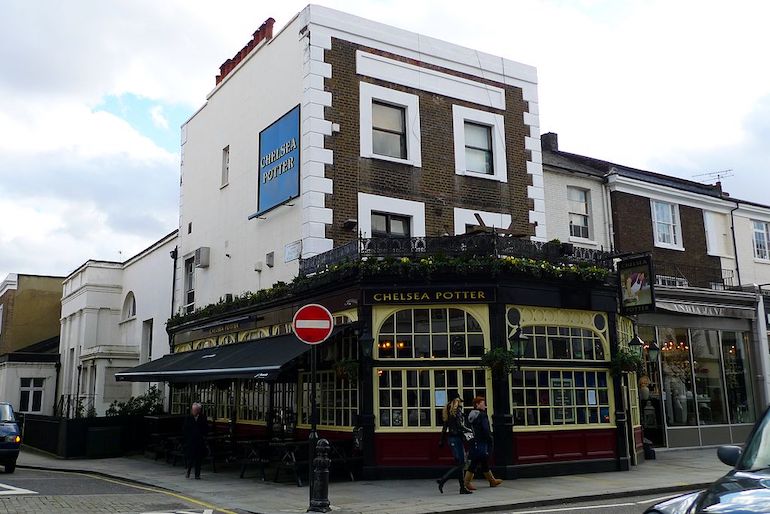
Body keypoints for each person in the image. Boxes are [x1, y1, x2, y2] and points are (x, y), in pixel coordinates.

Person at [437, 395, 473, 494]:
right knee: (461, 464)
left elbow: (444, 428)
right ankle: (443, 480)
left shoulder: (447, 412)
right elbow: (460, 425)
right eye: (460, 401)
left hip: (451, 439)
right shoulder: (457, 411)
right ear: (456, 401)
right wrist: (470, 430)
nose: (461, 403)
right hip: (457, 439)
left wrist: (441, 440)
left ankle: (462, 488)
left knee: (460, 464)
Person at [465, 396, 502, 490]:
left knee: (483, 460)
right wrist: (490, 438)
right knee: (476, 460)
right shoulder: (482, 415)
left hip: (474, 441)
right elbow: (486, 429)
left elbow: (468, 429)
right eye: (483, 403)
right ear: (477, 404)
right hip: (482, 440)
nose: (485, 405)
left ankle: (492, 481)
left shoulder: (471, 415)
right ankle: (467, 482)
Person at [183, 402, 208, 479]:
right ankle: (188, 471)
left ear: (199, 410)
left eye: (195, 410)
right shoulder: (188, 418)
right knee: (190, 458)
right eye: (193, 410)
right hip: (191, 441)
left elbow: (205, 428)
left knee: (198, 459)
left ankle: (197, 474)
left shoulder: (203, 418)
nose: (194, 411)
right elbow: (185, 429)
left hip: (199, 441)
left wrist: (203, 435)